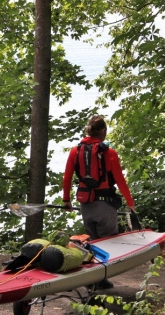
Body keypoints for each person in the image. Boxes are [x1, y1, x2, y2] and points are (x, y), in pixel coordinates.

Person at [62, 115, 136, 289]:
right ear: (103, 131)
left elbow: (67, 178)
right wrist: (130, 202)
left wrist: (66, 199)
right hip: (105, 204)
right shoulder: (109, 153)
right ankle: (100, 278)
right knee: (108, 242)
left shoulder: (75, 151)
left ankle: (92, 279)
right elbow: (120, 180)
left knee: (93, 240)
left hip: (85, 203)